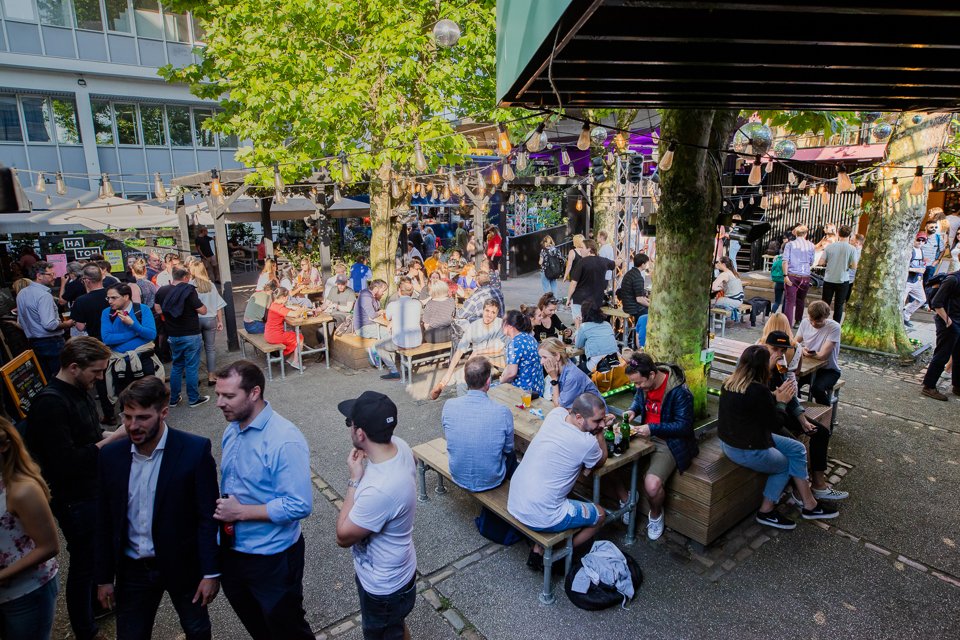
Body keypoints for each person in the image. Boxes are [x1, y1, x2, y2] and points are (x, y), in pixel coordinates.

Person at [95, 377, 220, 640]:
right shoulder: (111, 456)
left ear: (164, 413)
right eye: (127, 417)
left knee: (197, 630)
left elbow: (206, 517)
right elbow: (105, 520)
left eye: (142, 417)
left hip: (183, 567)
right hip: (133, 570)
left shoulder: (194, 451)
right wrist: (104, 577)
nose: (132, 426)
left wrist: (210, 572)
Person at [25, 337, 128, 640]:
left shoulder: (78, 390)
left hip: (90, 489)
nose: (99, 378)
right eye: (96, 372)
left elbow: (88, 435)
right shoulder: (51, 403)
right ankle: (86, 629)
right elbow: (67, 461)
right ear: (73, 367)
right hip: (73, 497)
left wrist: (112, 433)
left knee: (97, 553)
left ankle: (97, 606)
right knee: (84, 562)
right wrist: (114, 439)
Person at [213, 360, 314, 640]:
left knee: (288, 630)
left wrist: (240, 513)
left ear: (254, 393)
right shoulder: (232, 428)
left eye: (229, 396)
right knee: (260, 629)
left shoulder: (284, 440)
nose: (220, 403)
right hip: (233, 552)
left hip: (272, 559)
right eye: (219, 394)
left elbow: (299, 504)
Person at [717, 345, 838, 530]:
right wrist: (782, 402)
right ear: (762, 367)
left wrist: (773, 396)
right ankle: (767, 511)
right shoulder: (758, 390)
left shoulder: (729, 383)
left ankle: (808, 502)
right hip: (746, 449)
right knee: (784, 465)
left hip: (729, 443)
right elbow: (775, 424)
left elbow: (752, 407)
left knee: (797, 448)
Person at [336, 391, 418, 640]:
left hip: (384, 589)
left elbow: (342, 536)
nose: (349, 428)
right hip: (401, 570)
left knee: (384, 631)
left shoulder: (378, 489)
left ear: (360, 433)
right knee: (395, 626)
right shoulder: (400, 446)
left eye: (349, 423)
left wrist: (354, 479)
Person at [508, 393, 609, 567]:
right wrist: (600, 433)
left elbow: (563, 408)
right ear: (579, 417)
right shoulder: (587, 443)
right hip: (541, 515)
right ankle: (556, 553)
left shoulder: (555, 415)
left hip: (515, 501)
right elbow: (602, 459)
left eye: (602, 420)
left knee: (560, 488)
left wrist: (594, 423)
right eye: (597, 421)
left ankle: (540, 548)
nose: (600, 424)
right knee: (600, 514)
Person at [761, 329, 848, 500]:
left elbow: (790, 395)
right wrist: (768, 370)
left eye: (783, 350)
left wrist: (802, 420)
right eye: (775, 349)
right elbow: (754, 392)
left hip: (782, 411)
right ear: (766, 346)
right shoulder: (756, 363)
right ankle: (798, 492)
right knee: (795, 447)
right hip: (765, 418)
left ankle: (818, 485)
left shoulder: (781, 367)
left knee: (820, 431)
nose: (779, 353)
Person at [622, 353, 697, 540]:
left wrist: (652, 428)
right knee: (609, 462)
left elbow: (684, 426)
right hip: (644, 434)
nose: (637, 387)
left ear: (653, 375)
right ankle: (627, 500)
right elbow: (640, 400)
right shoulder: (643, 383)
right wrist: (633, 410)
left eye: (639, 383)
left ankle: (655, 514)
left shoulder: (679, 391)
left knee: (652, 485)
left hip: (669, 441)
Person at [0, 417, 60, 640]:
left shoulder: (22, 489)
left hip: (27, 593)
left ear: (5, 446)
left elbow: (49, 546)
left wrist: (3, 575)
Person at [441, 357, 516, 491]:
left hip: (458, 474)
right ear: (488, 381)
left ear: (465, 379)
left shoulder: (449, 405)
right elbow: (508, 448)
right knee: (513, 455)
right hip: (492, 479)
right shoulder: (502, 411)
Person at [155, 266, 209, 407]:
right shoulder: (188, 290)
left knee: (177, 366)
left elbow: (158, 309)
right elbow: (202, 310)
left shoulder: (162, 290)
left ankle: (173, 399)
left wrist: (170, 314)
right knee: (191, 366)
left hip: (173, 334)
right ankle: (193, 398)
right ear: (186, 277)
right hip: (191, 333)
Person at [430, 299, 505, 400]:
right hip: (477, 360)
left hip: (495, 361)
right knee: (462, 379)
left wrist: (478, 352)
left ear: (497, 314)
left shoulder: (501, 325)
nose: (489, 315)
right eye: (487, 311)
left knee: (472, 379)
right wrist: (448, 373)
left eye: (493, 312)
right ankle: (447, 385)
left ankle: (445, 384)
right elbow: (460, 350)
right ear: (483, 310)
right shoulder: (474, 326)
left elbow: (499, 347)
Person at [15, 261, 74, 381]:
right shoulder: (43, 295)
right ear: (39, 275)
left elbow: (21, 322)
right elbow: (50, 324)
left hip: (33, 342)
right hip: (51, 342)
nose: (54, 277)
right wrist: (67, 324)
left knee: (45, 379)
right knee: (62, 378)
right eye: (50, 274)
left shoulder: (22, 293)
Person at [100, 283, 158, 394]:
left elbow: (151, 334)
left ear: (126, 297)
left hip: (143, 362)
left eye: (114, 298)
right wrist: (136, 332)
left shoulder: (142, 309)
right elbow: (107, 339)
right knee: (125, 399)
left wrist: (133, 324)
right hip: (120, 364)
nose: (110, 301)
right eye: (108, 298)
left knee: (149, 397)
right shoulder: (107, 313)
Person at [920, 267, 960, 401]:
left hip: (956, 321)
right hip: (948, 322)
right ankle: (929, 386)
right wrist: (948, 321)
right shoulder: (953, 279)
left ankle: (957, 385)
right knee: (942, 354)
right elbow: (937, 302)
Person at [795, 301, 842, 406]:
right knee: (792, 382)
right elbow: (795, 343)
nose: (814, 324)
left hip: (829, 370)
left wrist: (807, 353)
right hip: (809, 369)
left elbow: (822, 355)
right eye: (811, 320)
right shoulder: (805, 322)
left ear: (825, 317)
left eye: (818, 322)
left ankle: (825, 416)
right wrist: (801, 349)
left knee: (817, 389)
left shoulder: (834, 327)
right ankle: (799, 410)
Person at [375, 279, 423, 380]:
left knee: (379, 345)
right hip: (417, 340)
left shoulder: (393, 305)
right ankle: (404, 367)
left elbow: (387, 318)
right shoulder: (417, 304)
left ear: (399, 291)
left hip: (401, 342)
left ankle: (393, 371)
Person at [539, 337, 604, 409]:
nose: (541, 362)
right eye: (541, 357)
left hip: (593, 415)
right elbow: (555, 399)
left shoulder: (572, 376)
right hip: (579, 411)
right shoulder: (558, 369)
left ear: (557, 356)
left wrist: (554, 379)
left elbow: (559, 406)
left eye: (544, 357)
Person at [190, 262, 227, 387]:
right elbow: (218, 306)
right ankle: (211, 376)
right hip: (210, 319)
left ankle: (194, 377)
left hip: (195, 320)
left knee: (195, 349)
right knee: (210, 349)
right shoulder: (211, 285)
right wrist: (220, 321)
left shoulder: (190, 285)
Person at [817, 224, 858, 323]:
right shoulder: (852, 249)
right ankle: (836, 325)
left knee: (825, 303)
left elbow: (821, 262)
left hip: (829, 279)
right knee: (839, 305)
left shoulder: (830, 247)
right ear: (849, 235)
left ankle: (822, 322)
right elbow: (854, 266)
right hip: (843, 279)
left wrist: (829, 262)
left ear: (838, 233)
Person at [568, 240, 616, 324]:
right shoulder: (603, 261)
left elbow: (573, 283)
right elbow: (614, 264)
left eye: (582, 247)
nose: (580, 250)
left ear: (589, 249)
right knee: (591, 325)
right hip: (596, 300)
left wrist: (568, 298)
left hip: (580, 300)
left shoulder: (581, 262)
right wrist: (622, 258)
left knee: (579, 328)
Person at [500, 309, 545, 399]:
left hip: (524, 390)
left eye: (503, 322)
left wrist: (501, 381)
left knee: (491, 389)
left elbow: (511, 373)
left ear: (509, 326)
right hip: (538, 387)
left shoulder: (514, 343)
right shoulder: (529, 337)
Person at [264, 287, 307, 371]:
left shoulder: (273, 304)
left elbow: (286, 310)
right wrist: (302, 309)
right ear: (283, 297)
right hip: (275, 336)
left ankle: (292, 358)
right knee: (300, 337)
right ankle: (295, 361)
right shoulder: (279, 308)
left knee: (292, 334)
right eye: (287, 297)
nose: (287, 298)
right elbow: (294, 315)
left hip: (269, 334)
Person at [782, 224, 816, 327]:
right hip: (805, 276)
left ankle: (787, 324)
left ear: (796, 233)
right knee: (801, 300)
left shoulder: (790, 245)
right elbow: (811, 261)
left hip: (792, 275)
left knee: (790, 301)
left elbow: (785, 261)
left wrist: (785, 275)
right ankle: (798, 321)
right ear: (806, 234)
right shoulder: (811, 245)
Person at [574, 302, 619, 371]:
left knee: (575, 371)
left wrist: (578, 327)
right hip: (615, 362)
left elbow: (578, 345)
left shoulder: (584, 327)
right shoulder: (607, 324)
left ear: (583, 314)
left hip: (599, 366)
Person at [902, 234, 928, 328]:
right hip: (907, 280)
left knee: (922, 299)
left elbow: (922, 264)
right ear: (914, 239)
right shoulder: (910, 250)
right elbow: (902, 266)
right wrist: (915, 270)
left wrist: (921, 270)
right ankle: (900, 319)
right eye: (918, 240)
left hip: (917, 280)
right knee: (901, 301)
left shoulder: (921, 250)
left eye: (923, 240)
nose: (920, 242)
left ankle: (906, 314)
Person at [422, 279, 455, 344]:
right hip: (449, 334)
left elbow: (426, 324)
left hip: (433, 336)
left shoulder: (430, 303)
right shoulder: (451, 301)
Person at [618, 253, 650, 321]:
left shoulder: (629, 273)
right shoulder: (638, 277)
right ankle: (639, 330)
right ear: (643, 264)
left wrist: (650, 301)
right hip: (633, 308)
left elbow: (640, 296)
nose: (647, 265)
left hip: (626, 305)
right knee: (651, 314)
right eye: (647, 263)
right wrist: (651, 306)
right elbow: (639, 299)